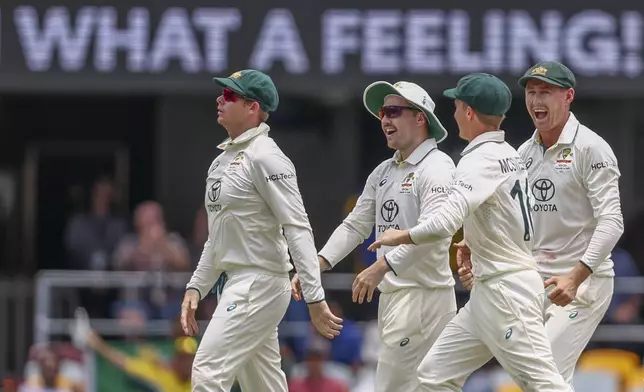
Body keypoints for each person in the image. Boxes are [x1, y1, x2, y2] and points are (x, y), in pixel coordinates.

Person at [356, 73, 572, 391]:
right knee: (433, 375)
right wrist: (471, 241)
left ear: (468, 111)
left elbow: (444, 221)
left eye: (457, 106)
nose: (454, 113)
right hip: (489, 290)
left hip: (507, 291)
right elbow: (506, 216)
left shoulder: (478, 160)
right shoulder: (511, 155)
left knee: (545, 385)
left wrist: (400, 236)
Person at [456, 61, 624, 383]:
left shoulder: (592, 149)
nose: (535, 101)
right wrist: (475, 243)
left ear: (568, 96)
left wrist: (575, 277)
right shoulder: (523, 153)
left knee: (541, 374)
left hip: (584, 285)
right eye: (531, 93)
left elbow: (612, 222)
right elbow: (513, 217)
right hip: (537, 284)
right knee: (547, 379)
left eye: (545, 92)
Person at [181, 69, 342, 392]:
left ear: (253, 107)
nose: (219, 99)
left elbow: (297, 228)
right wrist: (196, 287)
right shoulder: (221, 162)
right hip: (239, 283)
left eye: (229, 95)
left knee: (208, 370)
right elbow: (218, 237)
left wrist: (314, 296)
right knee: (264, 386)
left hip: (259, 283)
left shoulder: (267, 157)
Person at [292, 80, 456, 392]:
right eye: (382, 113)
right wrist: (317, 263)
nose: (385, 120)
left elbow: (434, 231)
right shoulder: (383, 172)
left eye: (394, 111)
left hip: (424, 297)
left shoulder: (437, 167)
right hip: (396, 298)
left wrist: (382, 266)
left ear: (420, 118)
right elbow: (355, 225)